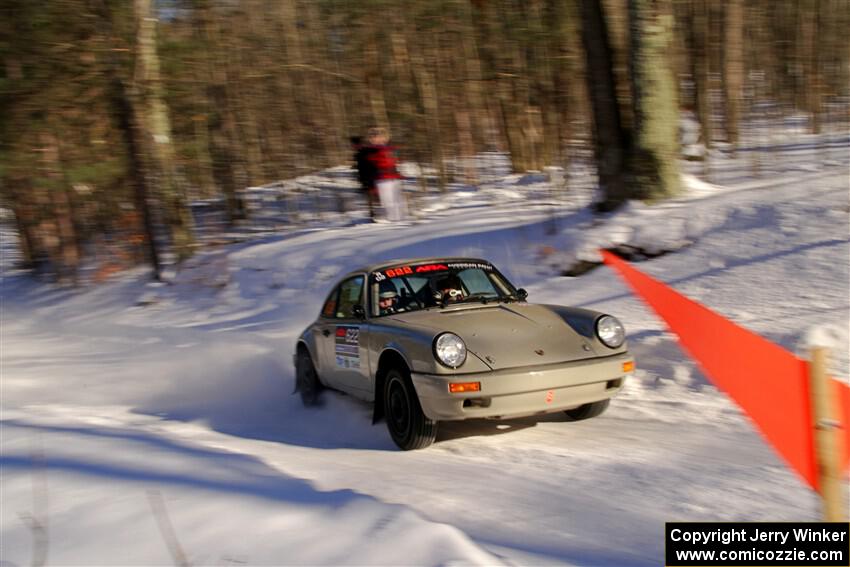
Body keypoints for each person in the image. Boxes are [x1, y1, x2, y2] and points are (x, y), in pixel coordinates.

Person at [366, 127, 407, 222]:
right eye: (374, 137)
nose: (377, 139)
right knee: (387, 201)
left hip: (393, 177)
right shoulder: (370, 150)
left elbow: (395, 161)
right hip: (382, 178)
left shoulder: (390, 148)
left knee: (397, 199)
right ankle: (392, 220)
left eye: (380, 137)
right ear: (371, 139)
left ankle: (401, 219)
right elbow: (370, 166)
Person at [351, 135, 378, 221]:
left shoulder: (365, 151)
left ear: (357, 144)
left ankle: (375, 216)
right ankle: (373, 216)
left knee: (373, 197)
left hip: (371, 178)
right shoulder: (360, 152)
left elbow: (368, 165)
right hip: (367, 178)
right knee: (370, 197)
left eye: (353, 145)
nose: (352, 147)